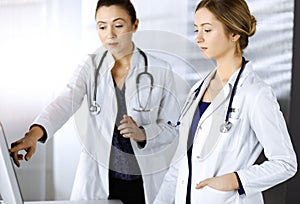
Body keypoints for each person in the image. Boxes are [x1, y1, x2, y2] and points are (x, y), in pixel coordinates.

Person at [9, 0, 181, 203]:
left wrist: (143, 134)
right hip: (99, 181)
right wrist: (34, 135)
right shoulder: (91, 66)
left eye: (118, 25)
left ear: (135, 25)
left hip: (143, 183)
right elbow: (65, 101)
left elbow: (173, 129)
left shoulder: (160, 70)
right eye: (102, 26)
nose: (110, 34)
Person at [154, 0, 297, 203]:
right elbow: (181, 162)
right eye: (196, 30)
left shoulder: (255, 94)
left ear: (234, 33)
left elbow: (285, 163)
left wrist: (236, 180)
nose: (198, 38)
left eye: (207, 30)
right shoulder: (197, 91)